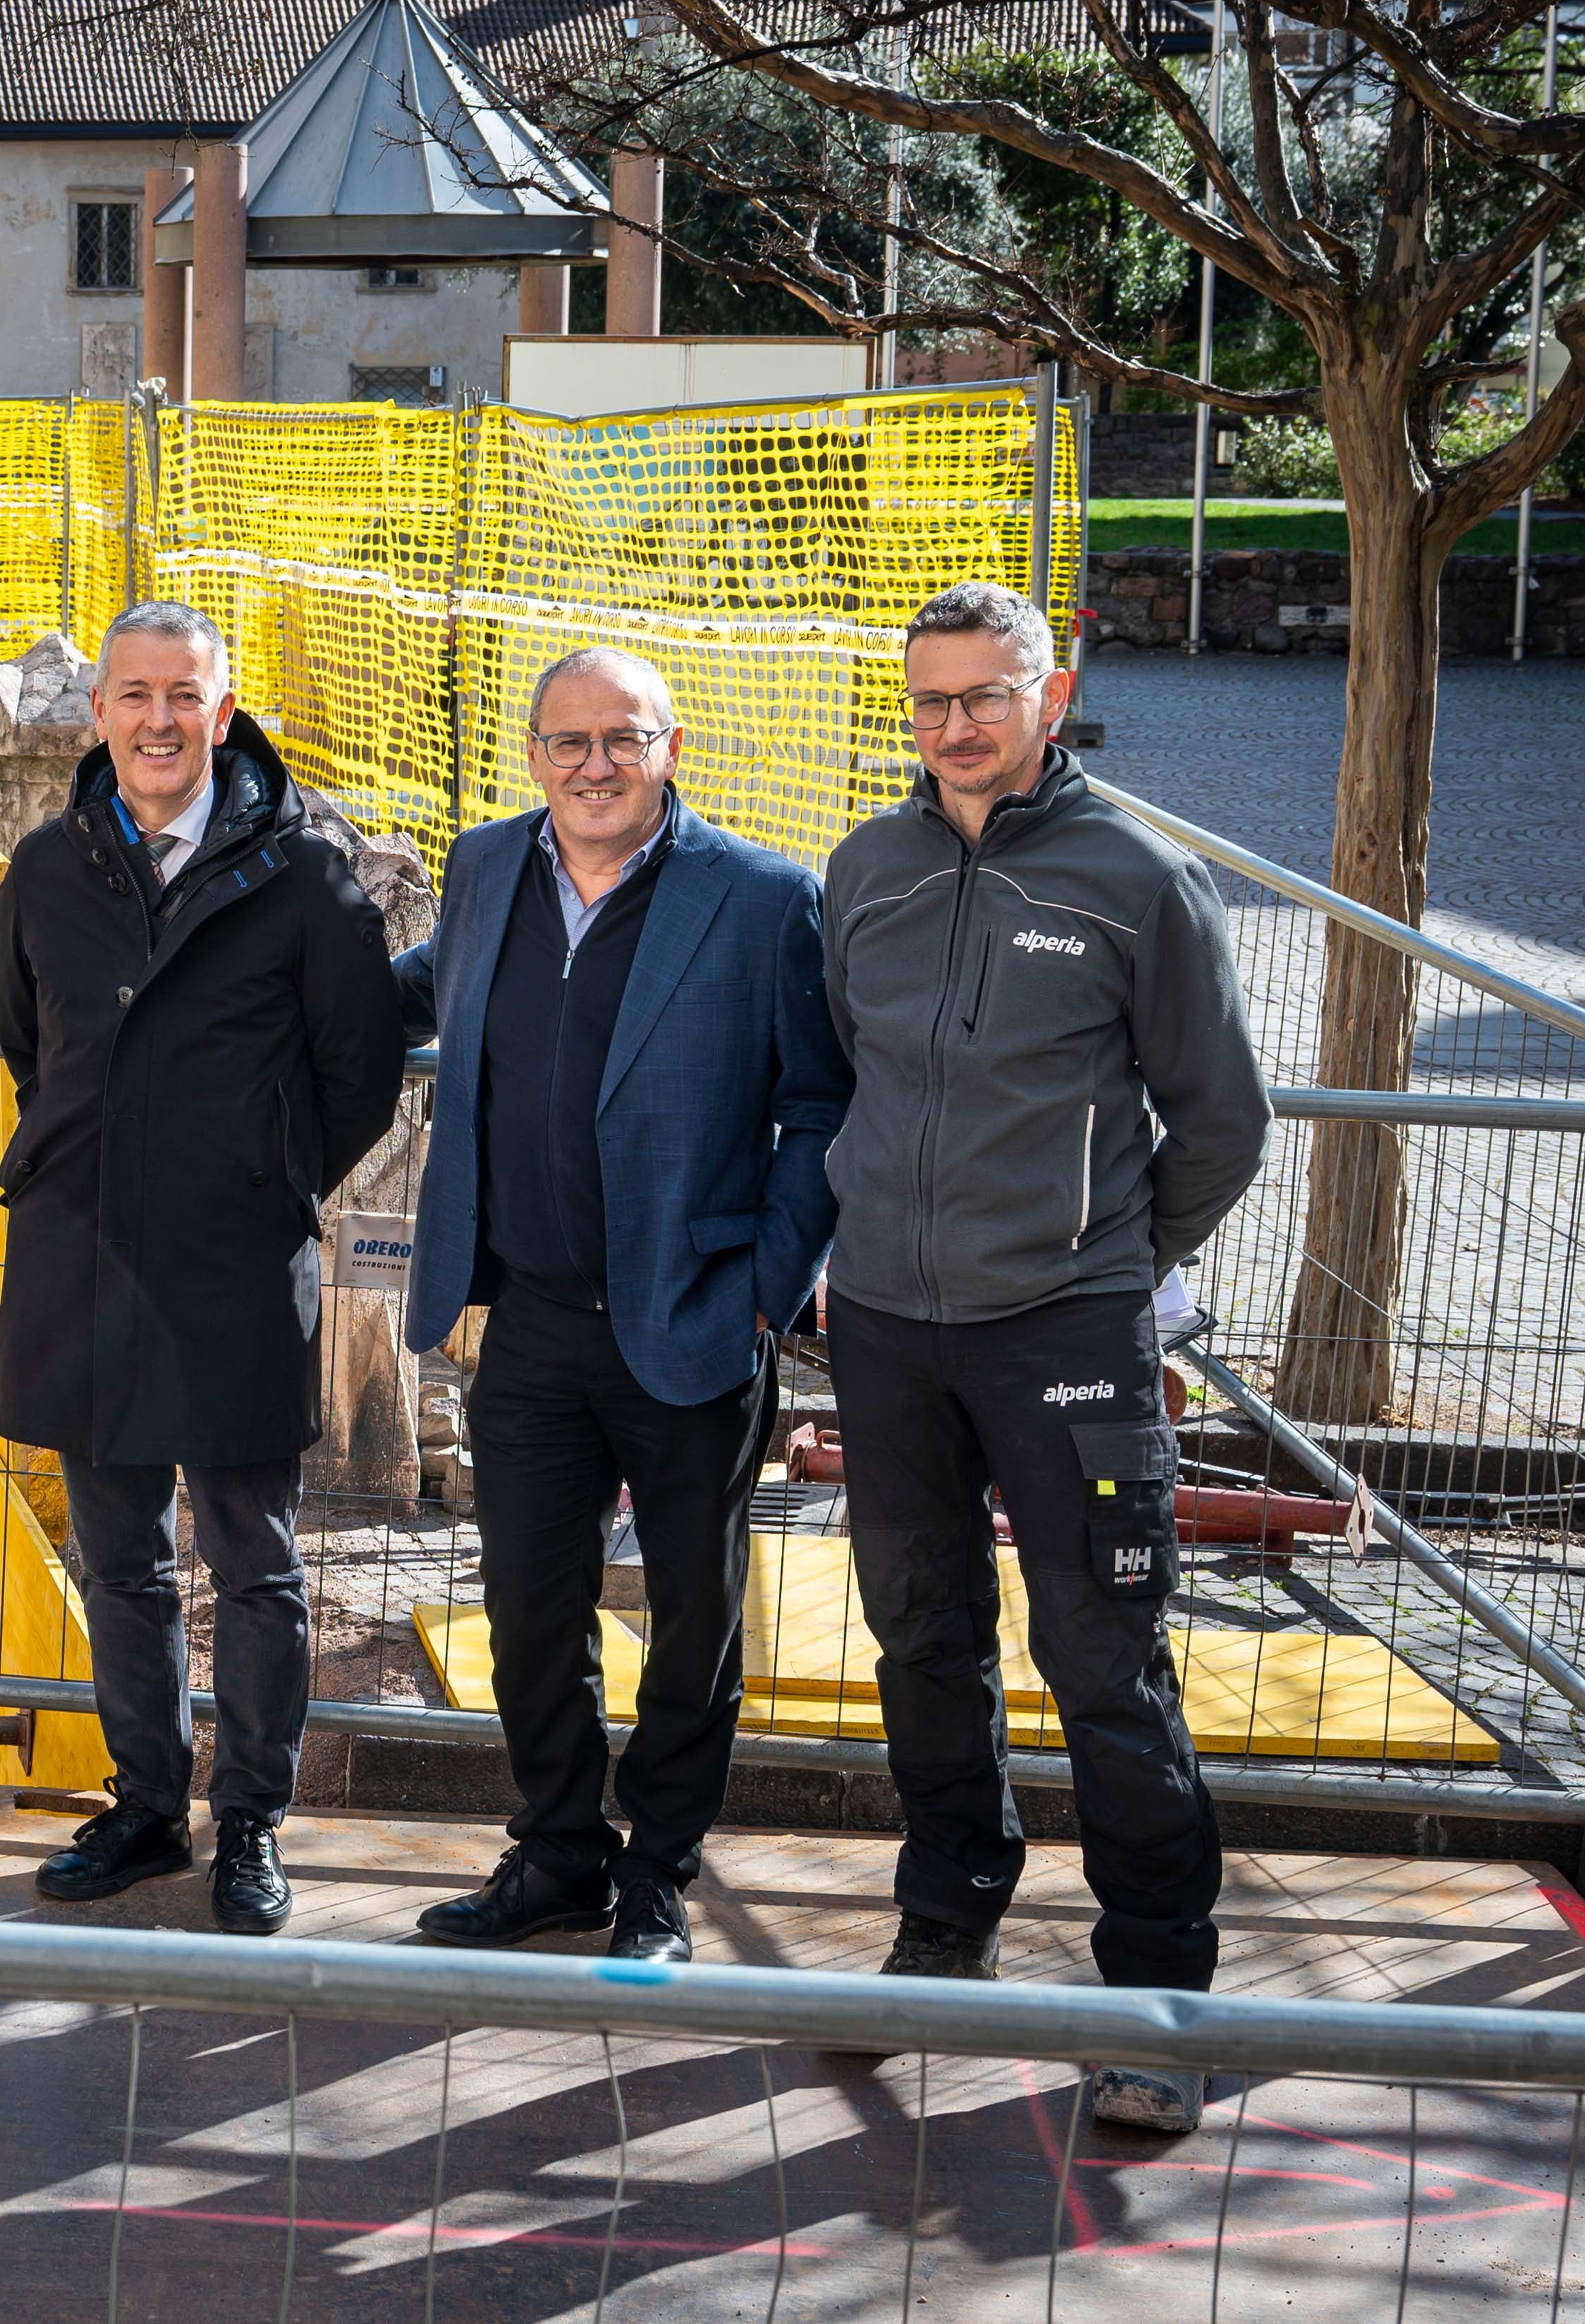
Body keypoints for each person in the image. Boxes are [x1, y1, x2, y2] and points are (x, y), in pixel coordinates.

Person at [826, 579, 1270, 2137]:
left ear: (1051, 693)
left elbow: (1221, 1123)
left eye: (984, 696)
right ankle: (944, 1917)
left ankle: (1158, 1987)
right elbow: (849, 1074)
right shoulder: (864, 869)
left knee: (1102, 1657)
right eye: (929, 698)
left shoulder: (1138, 879)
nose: (953, 726)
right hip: (884, 1326)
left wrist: (1110, 1269)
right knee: (921, 1634)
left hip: (1066, 1333)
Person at [391, 651, 851, 1965]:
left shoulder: (763, 898)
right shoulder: (485, 869)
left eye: (623, 738)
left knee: (691, 1623)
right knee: (529, 1607)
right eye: (569, 739)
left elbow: (819, 1103)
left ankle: (657, 1876)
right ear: (531, 753)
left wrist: (769, 1281)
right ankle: (555, 1857)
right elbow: (417, 988)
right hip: (530, 1319)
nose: (595, 763)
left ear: (671, 745)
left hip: (695, 1312)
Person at [0, 602, 407, 1936]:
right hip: (80, 1255)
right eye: (134, 695)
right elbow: (25, 1044)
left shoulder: (303, 879)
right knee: (119, 1560)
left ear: (222, 716)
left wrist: (256, 1175)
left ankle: (254, 1823)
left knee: (255, 1561)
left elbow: (356, 1078)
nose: (159, 721)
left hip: (234, 1265)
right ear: (98, 712)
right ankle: (147, 1806)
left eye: (185, 697)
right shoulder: (49, 868)